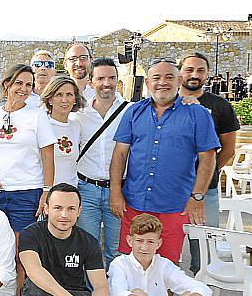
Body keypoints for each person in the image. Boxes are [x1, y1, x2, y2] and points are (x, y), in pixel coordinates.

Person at [110, 58, 220, 263]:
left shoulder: (198, 114)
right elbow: (120, 154)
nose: (162, 82)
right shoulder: (134, 112)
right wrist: (115, 191)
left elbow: (208, 158)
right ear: (148, 83)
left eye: (169, 77)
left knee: (167, 267)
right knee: (131, 264)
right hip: (135, 203)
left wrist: (197, 197)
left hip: (174, 206)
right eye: (156, 78)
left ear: (179, 80)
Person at [0, 64, 55, 296]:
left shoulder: (37, 117)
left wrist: (46, 192)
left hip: (27, 192)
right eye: (19, 83)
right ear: (7, 85)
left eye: (28, 84)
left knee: (21, 253)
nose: (24, 89)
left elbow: (48, 156)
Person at [179, 52, 239, 275]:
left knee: (203, 251)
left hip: (205, 192)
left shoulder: (220, 106)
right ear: (180, 73)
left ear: (208, 74)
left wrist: (208, 172)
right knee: (161, 247)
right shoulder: (167, 103)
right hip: (171, 188)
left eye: (200, 70)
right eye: (189, 69)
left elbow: (228, 149)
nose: (195, 75)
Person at [76, 58, 129, 266]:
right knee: (89, 249)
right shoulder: (79, 113)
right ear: (90, 82)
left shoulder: (129, 110)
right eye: (101, 78)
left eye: (112, 78)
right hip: (86, 189)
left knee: (117, 251)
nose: (107, 83)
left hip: (118, 190)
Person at [40, 76, 86, 186]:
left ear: (75, 99)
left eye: (69, 95)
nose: (64, 100)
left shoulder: (77, 126)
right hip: (47, 192)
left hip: (71, 191)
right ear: (50, 99)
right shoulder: (42, 125)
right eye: (59, 95)